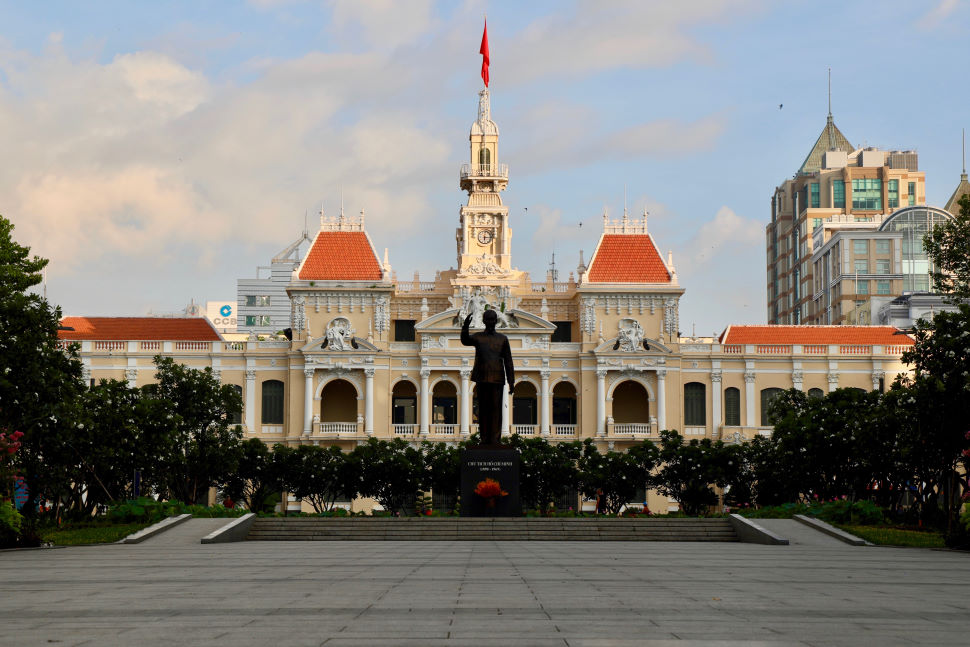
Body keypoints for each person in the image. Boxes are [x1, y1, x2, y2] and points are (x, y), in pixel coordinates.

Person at [461, 309, 514, 445]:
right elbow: (465, 340)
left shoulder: (503, 339)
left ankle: (495, 439)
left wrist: (511, 381)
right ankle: (484, 438)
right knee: (483, 409)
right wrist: (465, 326)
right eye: (488, 319)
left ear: (496, 321)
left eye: (492, 319)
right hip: (482, 377)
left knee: (496, 409)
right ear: (484, 321)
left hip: (497, 379)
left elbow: (508, 361)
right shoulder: (478, 337)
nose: (490, 322)